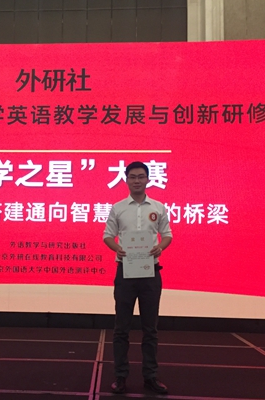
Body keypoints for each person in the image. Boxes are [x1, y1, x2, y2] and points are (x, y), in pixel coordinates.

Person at [103, 161, 172, 394]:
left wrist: (160, 247)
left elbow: (167, 235)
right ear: (126, 180)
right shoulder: (118, 208)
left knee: (150, 329)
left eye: (141, 176)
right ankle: (120, 376)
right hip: (126, 271)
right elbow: (107, 236)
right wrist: (118, 248)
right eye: (132, 177)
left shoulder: (158, 207)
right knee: (121, 328)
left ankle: (150, 377)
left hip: (150, 273)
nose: (137, 181)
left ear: (148, 179)